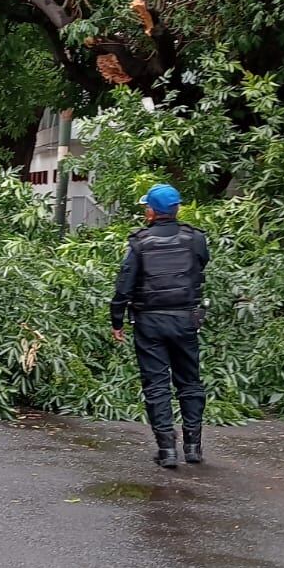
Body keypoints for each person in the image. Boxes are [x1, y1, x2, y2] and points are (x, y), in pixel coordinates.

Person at [109, 183, 210, 468]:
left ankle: (167, 450)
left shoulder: (139, 243)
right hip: (185, 319)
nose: (145, 211)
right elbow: (201, 265)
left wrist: (117, 319)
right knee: (190, 382)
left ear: (152, 211)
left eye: (146, 207)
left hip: (149, 322)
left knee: (156, 385)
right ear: (176, 209)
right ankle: (193, 447)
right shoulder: (195, 239)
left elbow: (124, 286)